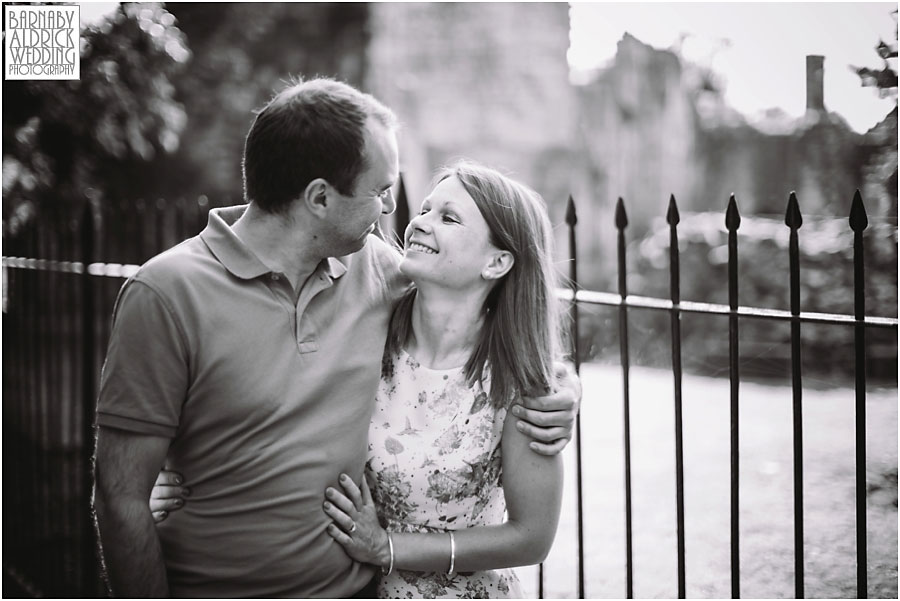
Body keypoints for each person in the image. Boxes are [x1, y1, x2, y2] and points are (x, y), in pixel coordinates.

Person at [93, 77, 580, 598]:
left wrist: (561, 388)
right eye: (381, 190)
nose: (395, 209)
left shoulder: (381, 273)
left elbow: (485, 314)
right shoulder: (166, 292)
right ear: (320, 198)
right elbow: (121, 494)